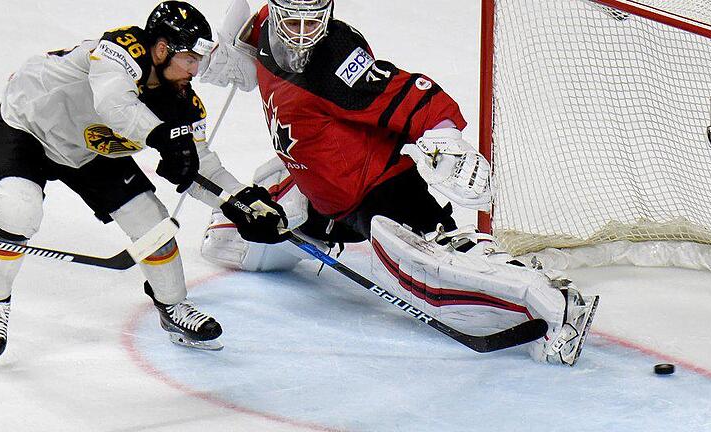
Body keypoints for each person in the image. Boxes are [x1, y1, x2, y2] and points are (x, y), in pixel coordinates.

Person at [197, 0, 599, 365]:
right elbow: (251, 63)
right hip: (317, 193)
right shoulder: (262, 29)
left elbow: (406, 93)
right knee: (227, 239)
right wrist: (225, 60)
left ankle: (547, 303)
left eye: (312, 21)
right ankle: (308, 219)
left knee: (423, 274)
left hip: (379, 190)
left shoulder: (336, 60)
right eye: (293, 20)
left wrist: (446, 140)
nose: (302, 34)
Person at [0, 1, 287, 358]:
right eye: (189, 58)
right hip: (26, 126)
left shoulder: (182, 101)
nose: (196, 68)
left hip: (90, 150)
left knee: (154, 225)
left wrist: (241, 201)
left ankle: (173, 307)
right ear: (160, 49)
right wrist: (163, 138)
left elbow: (201, 165)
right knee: (17, 209)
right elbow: (115, 105)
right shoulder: (121, 49)